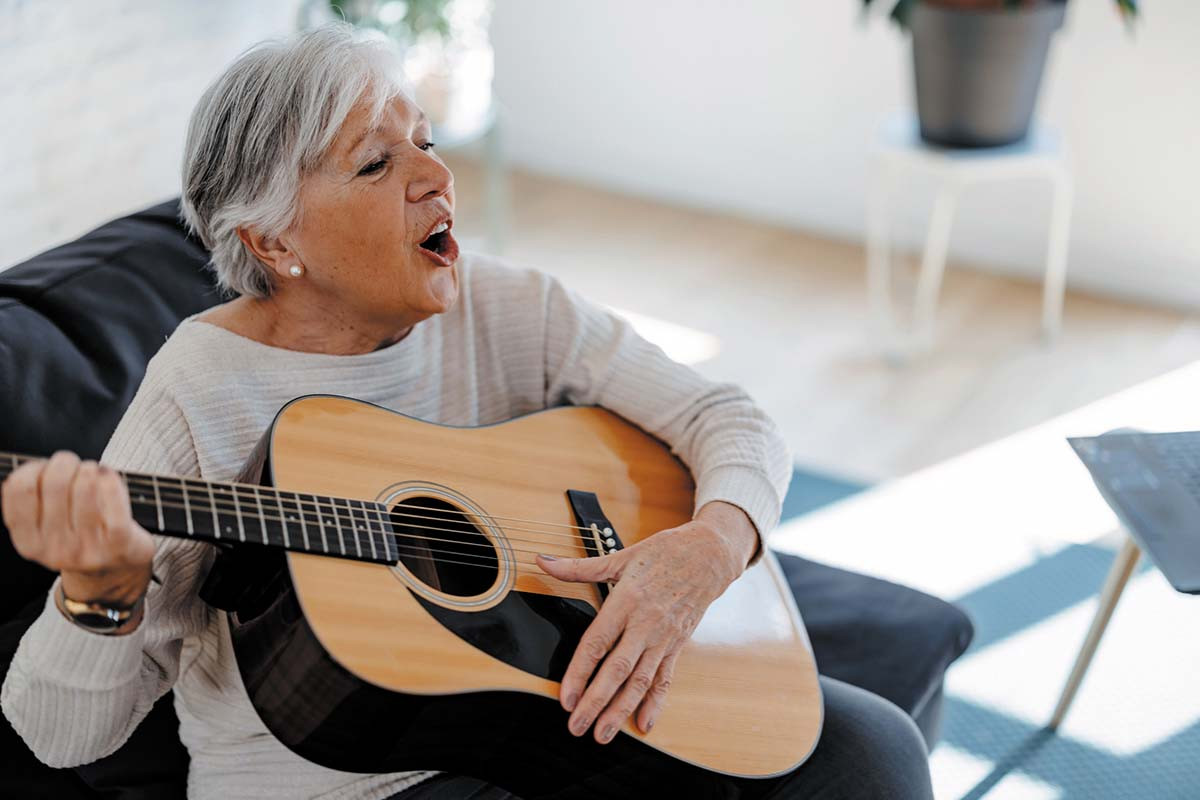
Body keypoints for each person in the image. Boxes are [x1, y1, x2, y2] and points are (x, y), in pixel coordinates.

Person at [0, 24, 934, 800]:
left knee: (872, 751)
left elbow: (730, 418)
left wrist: (715, 542)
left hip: (548, 721)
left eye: (426, 140)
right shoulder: (202, 390)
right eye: (374, 163)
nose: (434, 178)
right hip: (341, 783)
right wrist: (102, 594)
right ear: (274, 241)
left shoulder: (503, 304)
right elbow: (55, 735)